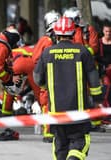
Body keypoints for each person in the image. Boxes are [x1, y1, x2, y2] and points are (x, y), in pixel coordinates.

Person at [33, 16, 103, 160]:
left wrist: (49, 86)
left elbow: (37, 79)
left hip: (56, 112)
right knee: (80, 142)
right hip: (79, 111)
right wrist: (97, 99)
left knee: (60, 145)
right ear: (73, 33)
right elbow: (94, 81)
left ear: (55, 33)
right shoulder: (83, 51)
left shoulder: (47, 53)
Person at [32, 10, 61, 143]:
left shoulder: (45, 39)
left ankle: (51, 131)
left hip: (46, 76)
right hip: (48, 77)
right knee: (47, 104)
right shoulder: (49, 41)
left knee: (48, 104)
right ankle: (48, 133)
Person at [95, 22, 111, 124]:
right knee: (106, 92)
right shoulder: (99, 43)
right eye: (106, 31)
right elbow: (96, 57)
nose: (108, 33)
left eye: (110, 32)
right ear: (103, 31)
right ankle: (106, 117)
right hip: (104, 72)